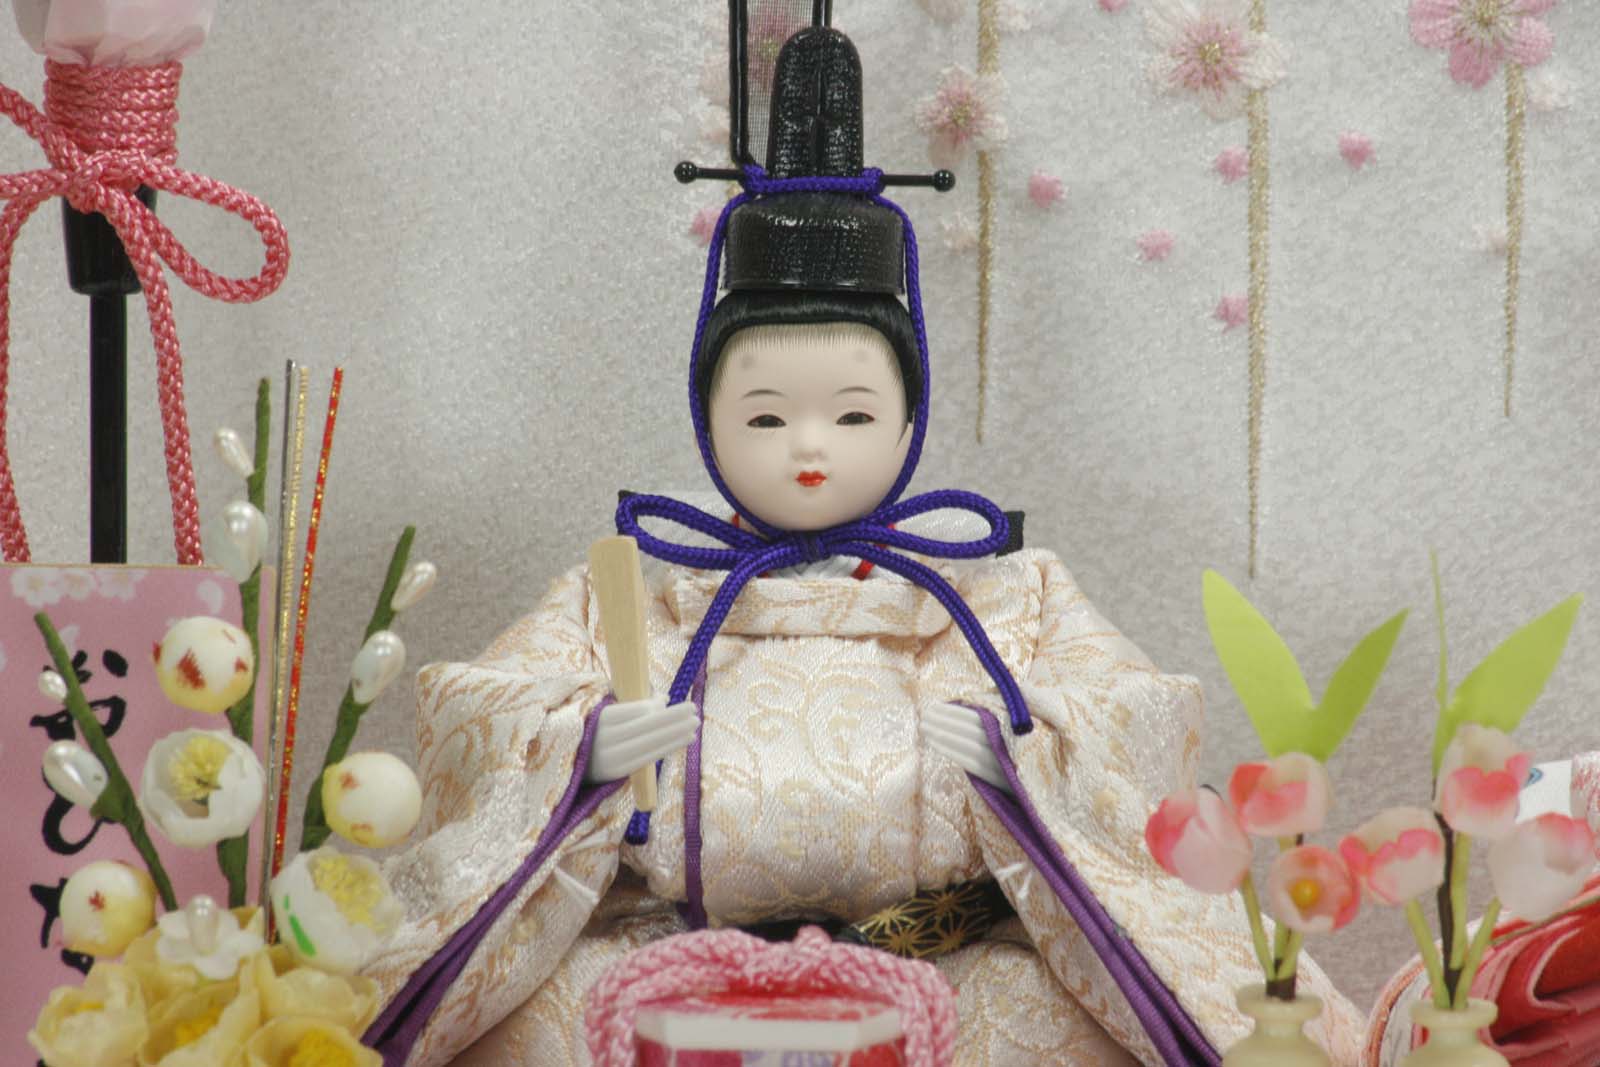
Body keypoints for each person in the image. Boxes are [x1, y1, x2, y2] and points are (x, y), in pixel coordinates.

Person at [363, 17, 1363, 1067]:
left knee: (1042, 1023)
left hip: (947, 951)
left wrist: (1027, 760)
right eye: (765, 416)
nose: (809, 446)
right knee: (550, 1026)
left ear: (907, 420)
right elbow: (480, 708)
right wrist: (580, 756)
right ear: (708, 419)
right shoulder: (625, 589)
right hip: (674, 945)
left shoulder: (1003, 590)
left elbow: (1138, 719)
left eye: (850, 414)